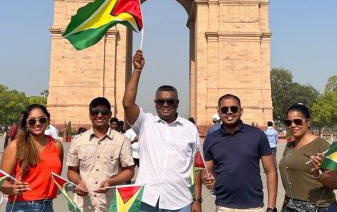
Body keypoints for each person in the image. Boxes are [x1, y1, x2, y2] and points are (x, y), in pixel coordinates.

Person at [123, 49, 202, 212]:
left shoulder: (189, 128)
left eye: (170, 101)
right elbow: (127, 104)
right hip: (148, 200)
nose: (165, 105)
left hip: (180, 201)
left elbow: (197, 166)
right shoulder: (145, 123)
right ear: (155, 103)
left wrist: (197, 199)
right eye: (161, 101)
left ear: (177, 103)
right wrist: (137, 70)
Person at [202, 94, 277, 212]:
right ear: (219, 112)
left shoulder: (257, 135)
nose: (229, 112)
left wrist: (271, 207)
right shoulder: (211, 139)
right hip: (224, 206)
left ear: (241, 111)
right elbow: (207, 171)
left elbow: (271, 171)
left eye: (234, 108)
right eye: (224, 109)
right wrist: (207, 179)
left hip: (253, 207)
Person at [67, 97, 135, 212]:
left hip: (110, 205)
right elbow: (71, 171)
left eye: (104, 112)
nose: (99, 115)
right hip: (84, 205)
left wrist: (110, 182)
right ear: (89, 114)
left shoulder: (122, 140)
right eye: (95, 112)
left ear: (110, 115)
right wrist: (78, 182)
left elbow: (129, 171)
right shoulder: (78, 141)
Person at [0, 104, 64, 212]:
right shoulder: (15, 146)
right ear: (26, 123)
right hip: (22, 206)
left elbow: (56, 179)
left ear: (48, 121)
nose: (37, 123)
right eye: (32, 121)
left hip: (47, 205)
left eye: (42, 120)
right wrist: (13, 188)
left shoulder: (57, 145)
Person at [279, 104, 337, 212]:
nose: (292, 125)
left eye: (297, 121)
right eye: (288, 122)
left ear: (308, 122)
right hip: (291, 206)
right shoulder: (289, 146)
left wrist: (319, 174)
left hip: (319, 207)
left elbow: (335, 183)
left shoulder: (322, 145)